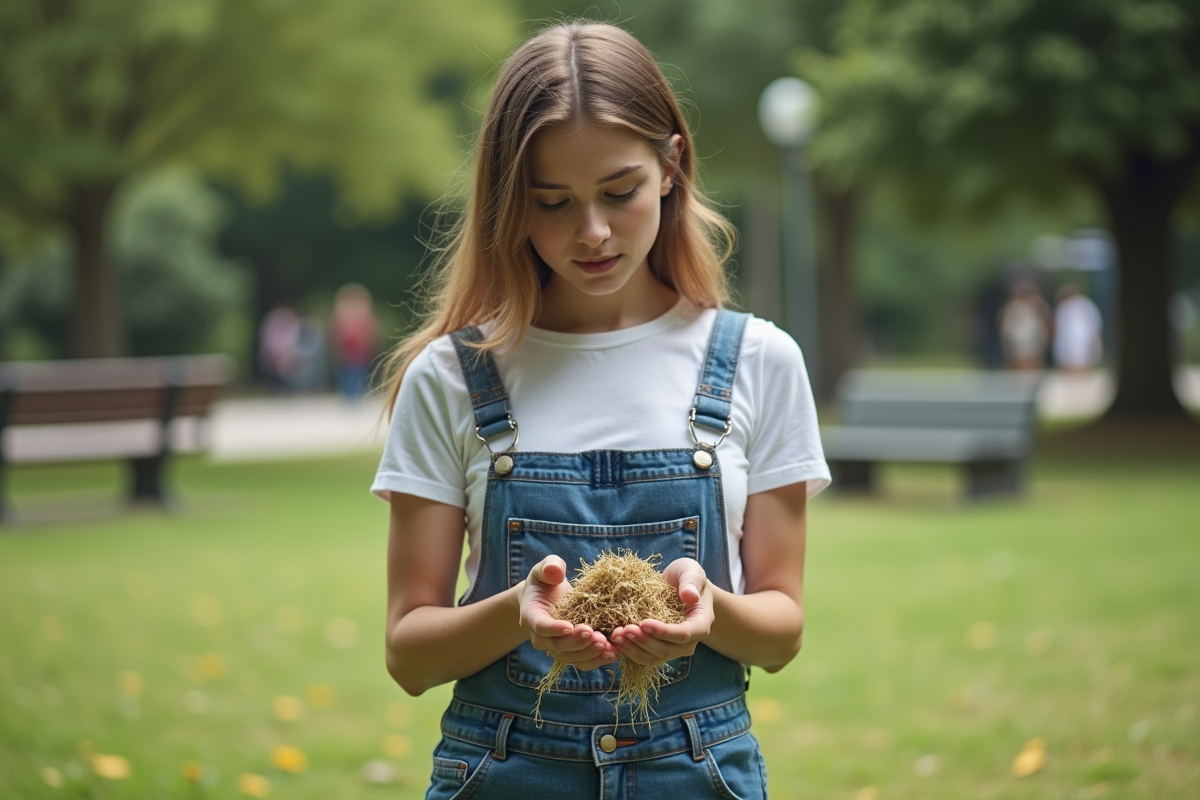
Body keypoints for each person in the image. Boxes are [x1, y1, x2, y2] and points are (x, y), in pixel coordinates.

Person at [371, 22, 829, 799]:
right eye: (553, 203)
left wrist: (706, 608)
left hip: (696, 773)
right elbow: (409, 653)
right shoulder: (453, 377)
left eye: (619, 192)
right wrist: (517, 612)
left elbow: (781, 630)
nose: (592, 233)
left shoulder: (760, 361)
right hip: (507, 772)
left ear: (670, 166)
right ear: (509, 205)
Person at [330, 283, 380, 400]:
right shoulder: (359, 312)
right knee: (351, 375)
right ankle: (352, 398)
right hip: (348, 353)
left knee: (355, 374)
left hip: (356, 353)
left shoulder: (344, 313)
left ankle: (353, 398)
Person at [997, 279, 1052, 371]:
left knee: (1033, 366)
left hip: (1034, 342)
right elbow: (1004, 326)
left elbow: (1047, 322)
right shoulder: (1011, 306)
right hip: (1016, 343)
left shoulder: (1039, 305)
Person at [1052, 283, 1103, 375]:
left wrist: (1094, 342)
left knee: (1082, 365)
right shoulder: (1063, 307)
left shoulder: (1086, 305)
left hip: (1083, 342)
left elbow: (1095, 325)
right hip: (1067, 343)